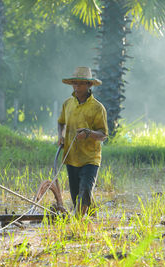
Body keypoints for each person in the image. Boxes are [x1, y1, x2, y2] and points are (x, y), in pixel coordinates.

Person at [58, 66, 108, 217]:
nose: (76, 87)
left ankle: (76, 224)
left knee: (85, 189)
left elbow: (103, 134)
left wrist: (88, 133)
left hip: (90, 158)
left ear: (89, 85)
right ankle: (91, 217)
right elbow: (61, 122)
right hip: (71, 156)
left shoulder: (98, 108)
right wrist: (60, 135)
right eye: (74, 83)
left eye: (80, 83)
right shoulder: (68, 104)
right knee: (76, 196)